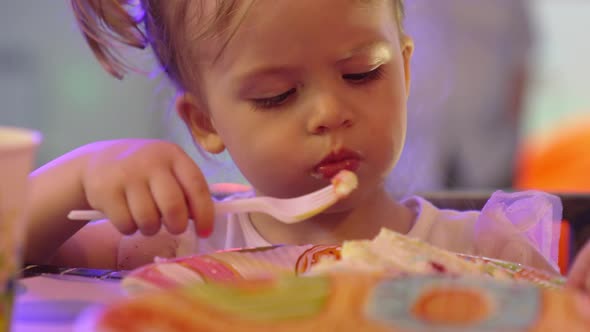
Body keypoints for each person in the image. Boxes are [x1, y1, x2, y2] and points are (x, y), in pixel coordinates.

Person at [24, 0, 559, 275]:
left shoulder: (486, 252)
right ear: (206, 122)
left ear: (405, 69)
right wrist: (83, 173)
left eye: (362, 72)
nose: (329, 114)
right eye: (276, 95)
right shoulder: (182, 246)